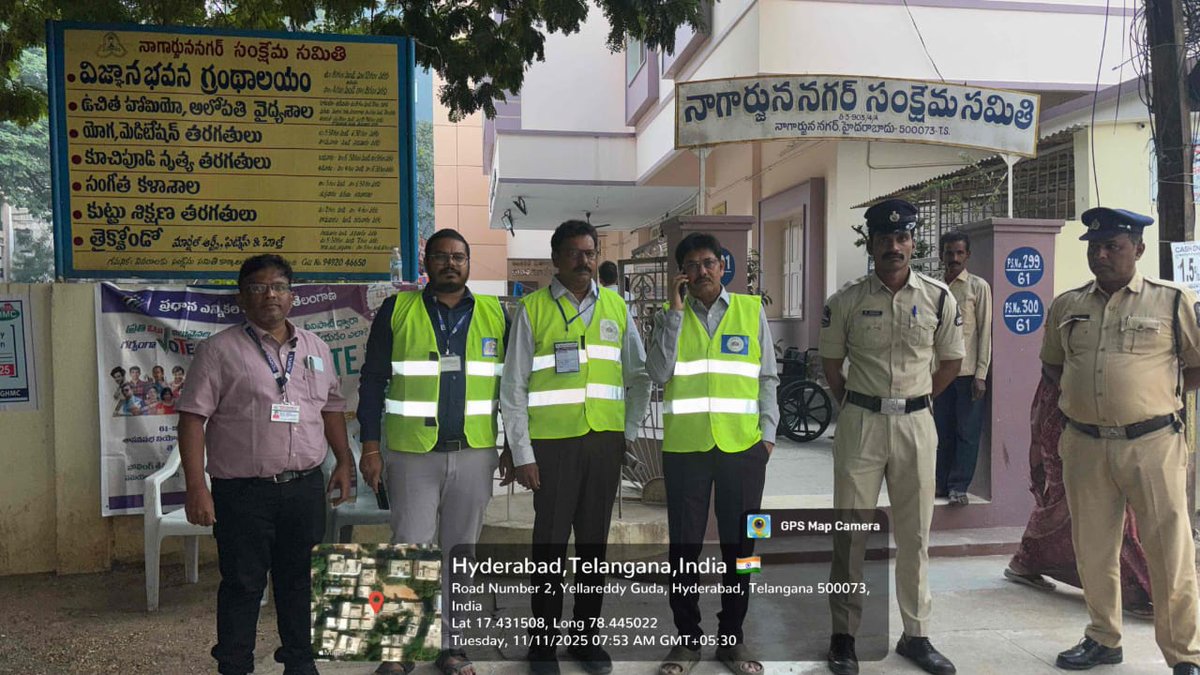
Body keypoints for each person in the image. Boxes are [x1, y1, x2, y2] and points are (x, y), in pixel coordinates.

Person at [176, 254, 354, 675]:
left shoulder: (316, 348)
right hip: (243, 493)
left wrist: (343, 462)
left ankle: (300, 662)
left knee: (299, 582)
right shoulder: (218, 351)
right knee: (242, 585)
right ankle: (235, 665)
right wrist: (197, 487)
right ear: (242, 298)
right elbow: (192, 420)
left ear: (293, 296)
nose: (269, 295)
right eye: (258, 287)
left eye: (279, 286)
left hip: (305, 487)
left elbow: (331, 409)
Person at [1040, 208, 1200, 674]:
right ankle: (1103, 638)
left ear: (1139, 250)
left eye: (1114, 246)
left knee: (1169, 550)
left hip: (1151, 444)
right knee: (1092, 548)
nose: (1102, 255)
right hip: (1085, 444)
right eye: (1095, 246)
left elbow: (1196, 362)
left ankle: (1184, 654)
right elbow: (1052, 362)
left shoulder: (1170, 302)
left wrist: (1152, 396)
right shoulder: (1068, 305)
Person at [499, 219, 652, 675]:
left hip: (603, 445)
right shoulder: (532, 311)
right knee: (548, 545)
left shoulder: (617, 309)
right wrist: (522, 452)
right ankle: (542, 646)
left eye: (591, 252)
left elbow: (639, 375)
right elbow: (514, 387)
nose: (584, 260)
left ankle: (586, 639)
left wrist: (626, 429)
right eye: (574, 253)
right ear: (555, 259)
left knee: (593, 546)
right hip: (552, 448)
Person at [819, 198, 963, 675]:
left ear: (913, 243)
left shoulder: (940, 298)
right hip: (861, 423)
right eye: (885, 239)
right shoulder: (846, 301)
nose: (894, 247)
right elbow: (831, 365)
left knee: (915, 534)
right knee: (851, 534)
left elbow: (950, 363)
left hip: (917, 426)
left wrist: (916, 402)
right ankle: (844, 636)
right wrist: (858, 404)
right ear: (872, 245)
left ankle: (916, 635)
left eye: (902, 239)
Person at [357, 229, 509, 675]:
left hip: (475, 452)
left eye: (458, 257)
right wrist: (370, 447)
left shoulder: (495, 314)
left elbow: (513, 387)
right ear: (426, 262)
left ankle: (453, 647)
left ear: (469, 262)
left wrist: (516, 449)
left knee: (461, 554)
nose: (450, 264)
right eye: (440, 256)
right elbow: (371, 380)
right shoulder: (397, 310)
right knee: (409, 550)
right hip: (411, 455)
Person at [646, 232, 779, 675]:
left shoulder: (750, 309)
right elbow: (659, 373)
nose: (701, 271)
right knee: (683, 547)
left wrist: (768, 435)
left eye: (709, 262)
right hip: (686, 451)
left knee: (744, 549)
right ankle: (686, 641)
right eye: (692, 265)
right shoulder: (671, 318)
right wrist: (673, 312)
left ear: (723, 265)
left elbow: (767, 378)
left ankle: (732, 638)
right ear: (681, 273)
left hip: (744, 450)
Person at [1003, 369, 1153, 617]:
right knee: (1081, 507)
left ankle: (1027, 561)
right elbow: (1051, 367)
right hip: (1070, 420)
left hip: (1109, 419)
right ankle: (1133, 590)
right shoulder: (1067, 340)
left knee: (1082, 507)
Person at [932, 231, 992, 505]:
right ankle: (940, 484)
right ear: (941, 254)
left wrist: (981, 375)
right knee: (941, 431)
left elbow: (984, 333)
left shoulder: (978, 288)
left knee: (966, 433)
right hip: (938, 374)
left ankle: (959, 487)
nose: (953, 258)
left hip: (968, 375)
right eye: (948, 253)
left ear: (967, 255)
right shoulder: (931, 288)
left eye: (959, 253)